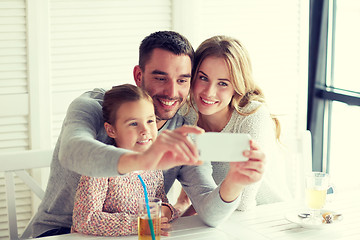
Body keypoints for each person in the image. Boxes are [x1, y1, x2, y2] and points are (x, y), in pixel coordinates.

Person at [24, 31, 265, 238]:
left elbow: (210, 214)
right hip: (58, 233)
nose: (172, 92)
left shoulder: (180, 131)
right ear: (139, 75)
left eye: (182, 80)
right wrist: (146, 160)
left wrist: (234, 182)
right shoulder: (94, 106)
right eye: (160, 78)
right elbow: (73, 151)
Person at [175, 35, 290, 215]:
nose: (209, 92)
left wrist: (193, 212)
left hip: (268, 216)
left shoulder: (252, 116)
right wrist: (180, 209)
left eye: (223, 83)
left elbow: (242, 202)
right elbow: (194, 178)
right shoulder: (186, 114)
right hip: (220, 215)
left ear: (237, 86)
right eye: (203, 78)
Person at [71, 84, 177, 236]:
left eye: (150, 121)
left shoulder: (153, 165)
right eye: (134, 123)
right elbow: (84, 220)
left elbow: (159, 203)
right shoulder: (100, 167)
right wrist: (140, 224)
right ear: (111, 130)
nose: (145, 130)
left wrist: (166, 210)